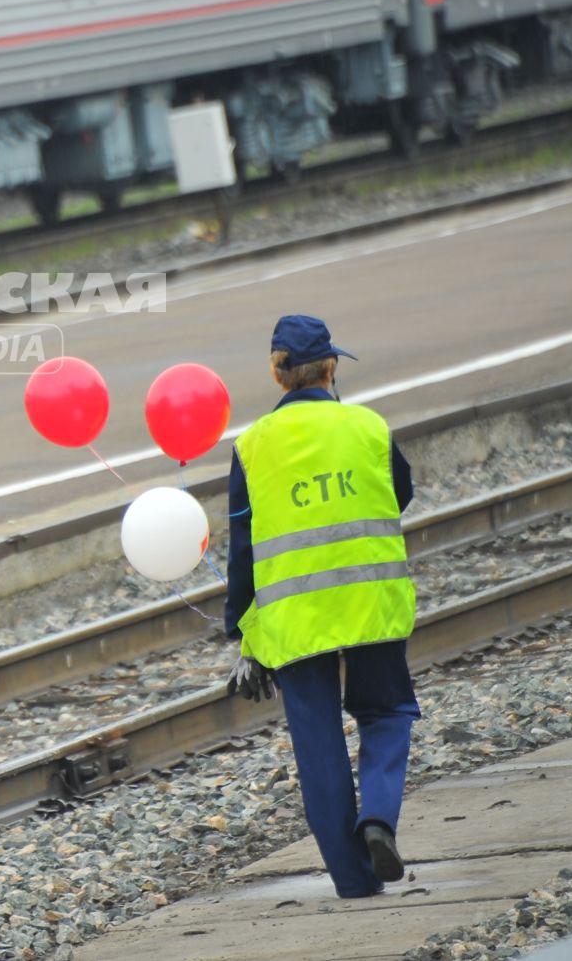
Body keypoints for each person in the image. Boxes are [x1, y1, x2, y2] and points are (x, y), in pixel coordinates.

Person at [223, 314, 418, 898]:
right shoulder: (368, 426)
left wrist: (241, 632)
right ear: (332, 367)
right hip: (370, 600)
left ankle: (356, 884)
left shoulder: (252, 447)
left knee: (319, 746)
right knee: (386, 715)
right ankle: (378, 818)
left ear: (276, 372)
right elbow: (400, 493)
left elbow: (242, 546)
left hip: (293, 620)